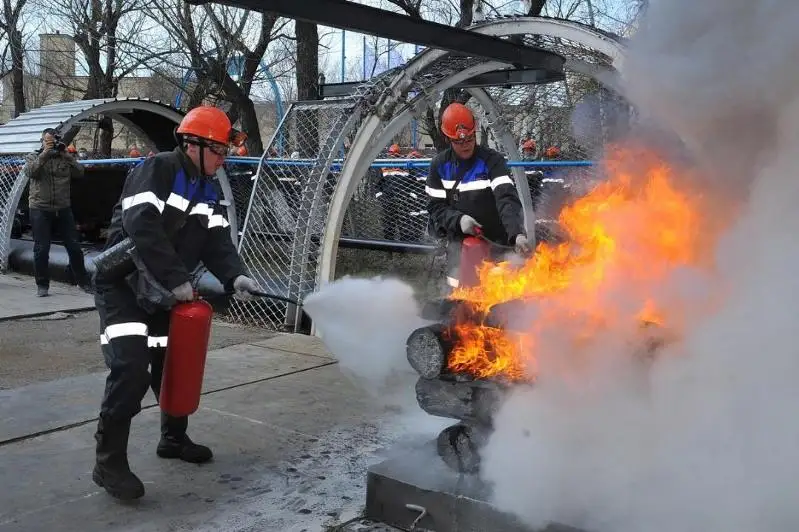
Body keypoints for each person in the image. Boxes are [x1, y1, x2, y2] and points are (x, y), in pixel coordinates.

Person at [91, 105, 261, 501]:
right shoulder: (160, 169)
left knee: (172, 363)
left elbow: (217, 240)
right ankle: (108, 462)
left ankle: (173, 438)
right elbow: (142, 227)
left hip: (165, 291)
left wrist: (234, 275)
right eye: (218, 150)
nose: (223, 158)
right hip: (125, 288)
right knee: (131, 369)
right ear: (193, 144)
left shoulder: (207, 187)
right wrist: (178, 280)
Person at [425, 103, 529, 289]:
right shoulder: (439, 166)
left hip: (497, 240)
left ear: (475, 133)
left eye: (470, 138)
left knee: (498, 294)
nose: (466, 145)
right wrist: (459, 220)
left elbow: (506, 198)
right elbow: (435, 207)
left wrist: (517, 234)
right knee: (461, 294)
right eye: (459, 142)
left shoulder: (492, 161)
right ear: (449, 139)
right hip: (460, 244)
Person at [22, 128, 91, 296]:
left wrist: (66, 155)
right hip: (40, 208)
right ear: (42, 141)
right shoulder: (34, 156)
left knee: (74, 247)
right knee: (42, 248)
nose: (52, 144)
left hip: (63, 208)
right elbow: (30, 172)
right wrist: (45, 153)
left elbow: (80, 173)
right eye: (49, 141)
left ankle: (83, 282)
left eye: (54, 140)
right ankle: (42, 285)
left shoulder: (65, 158)